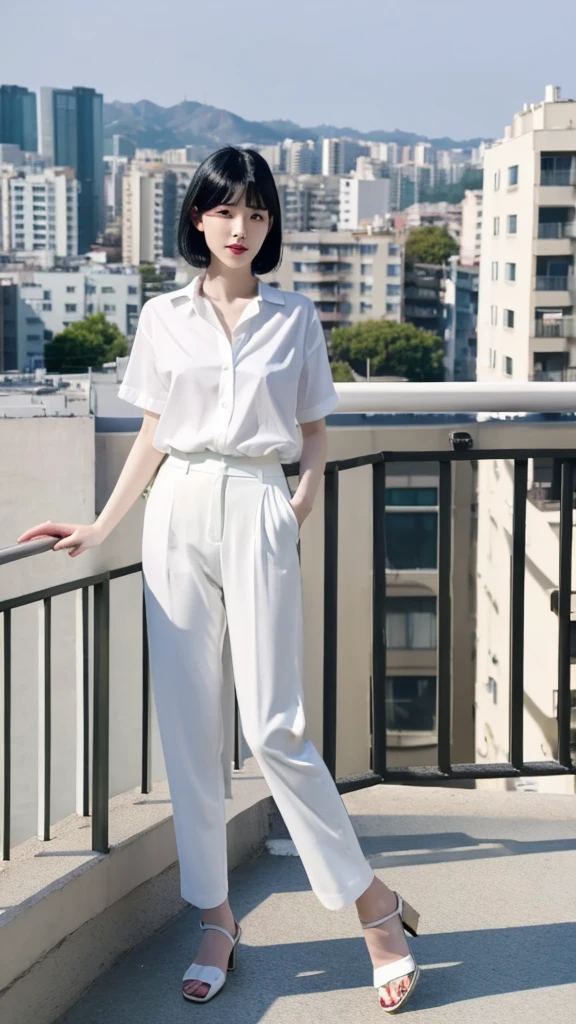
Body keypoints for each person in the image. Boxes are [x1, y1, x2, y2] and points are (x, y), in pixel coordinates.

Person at [18, 147, 420, 1013]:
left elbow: (314, 429)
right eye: (227, 211)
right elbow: (154, 434)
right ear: (198, 219)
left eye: (259, 213)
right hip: (177, 509)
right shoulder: (163, 317)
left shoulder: (296, 318)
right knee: (191, 732)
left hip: (257, 501)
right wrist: (99, 527)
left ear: (270, 225)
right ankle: (215, 919)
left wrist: (301, 500)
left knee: (276, 726)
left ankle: (374, 910)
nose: (243, 228)